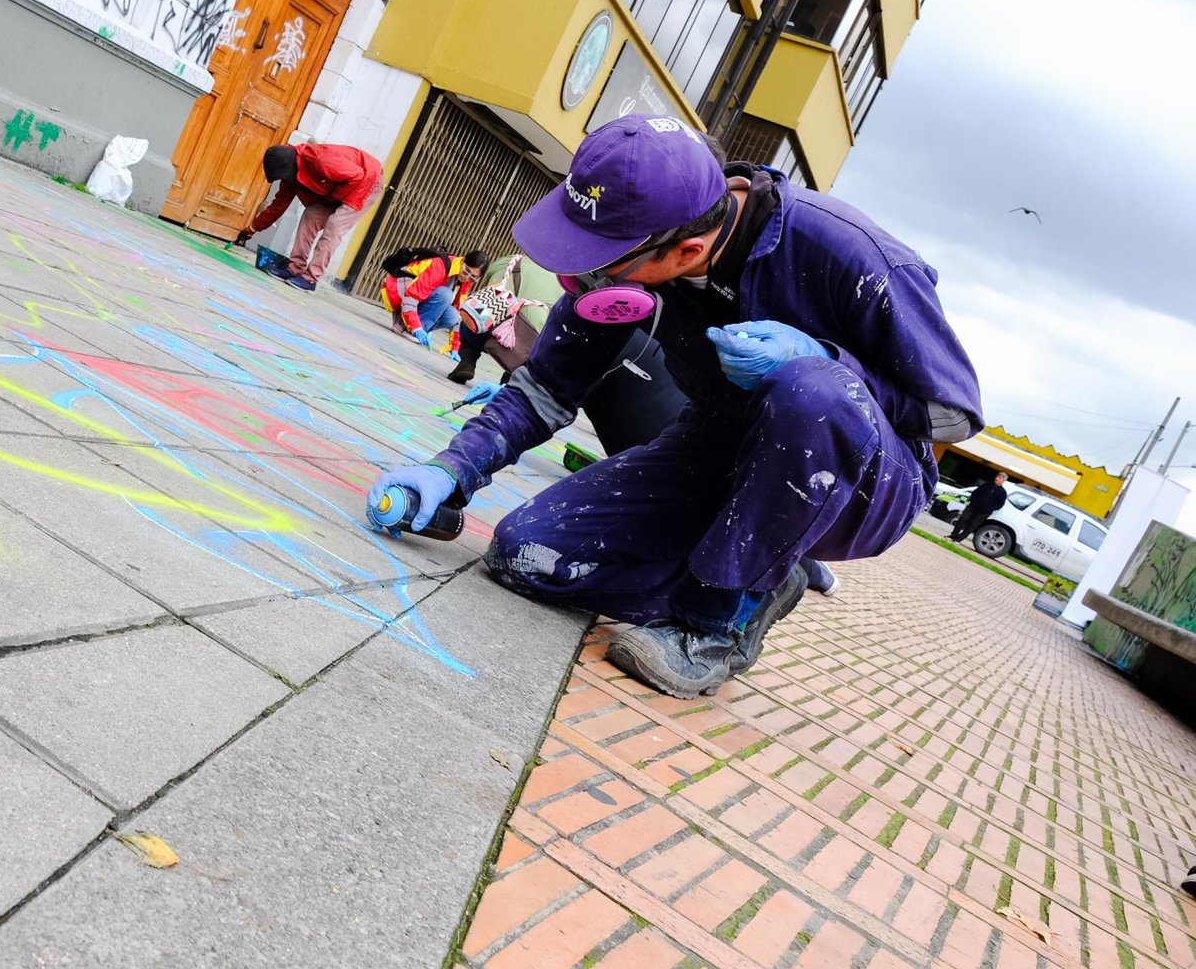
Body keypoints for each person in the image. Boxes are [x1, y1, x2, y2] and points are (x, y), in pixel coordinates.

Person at [366, 113, 981, 698]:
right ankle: (763, 574)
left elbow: (954, 416)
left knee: (812, 391)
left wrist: (820, 355)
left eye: (597, 261)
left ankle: (717, 624)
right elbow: (545, 389)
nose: (576, 275)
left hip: (863, 481)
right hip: (722, 443)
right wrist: (452, 470)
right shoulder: (624, 271)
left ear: (684, 252)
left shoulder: (847, 253)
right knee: (525, 554)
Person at [237, 142, 384, 291]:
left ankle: (310, 279)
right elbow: (278, 206)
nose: (286, 179)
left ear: (292, 167)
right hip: (341, 188)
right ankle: (294, 269)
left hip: (368, 181)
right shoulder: (290, 175)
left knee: (335, 224)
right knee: (311, 215)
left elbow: (357, 176)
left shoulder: (321, 160)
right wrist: (252, 228)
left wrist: (334, 198)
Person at [382, 249, 486, 351]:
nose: (467, 277)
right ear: (463, 260)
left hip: (418, 299)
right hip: (398, 292)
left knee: (453, 315)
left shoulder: (467, 280)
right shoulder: (439, 265)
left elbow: (459, 311)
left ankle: (422, 328)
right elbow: (411, 296)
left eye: (473, 277)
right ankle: (406, 324)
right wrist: (416, 327)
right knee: (446, 295)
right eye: (466, 271)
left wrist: (455, 347)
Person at [949, 472, 1011, 542]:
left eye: (999, 478)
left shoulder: (1002, 493)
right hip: (972, 507)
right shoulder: (987, 485)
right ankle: (953, 535)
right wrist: (973, 501)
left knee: (972, 526)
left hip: (984, 512)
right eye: (997, 476)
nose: (997, 478)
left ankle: (959, 539)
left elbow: (1000, 504)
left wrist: (989, 508)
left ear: (1003, 481)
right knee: (963, 519)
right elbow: (975, 492)